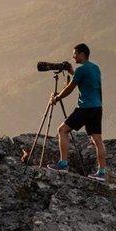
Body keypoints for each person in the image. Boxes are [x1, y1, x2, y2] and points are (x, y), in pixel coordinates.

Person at [46, 43, 108, 181]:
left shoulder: (81, 70)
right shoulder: (95, 68)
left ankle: (63, 164)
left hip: (85, 107)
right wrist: (71, 72)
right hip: (97, 107)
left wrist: (56, 98)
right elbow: (84, 81)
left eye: (74, 53)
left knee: (62, 130)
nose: (73, 56)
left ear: (81, 54)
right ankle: (102, 172)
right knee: (97, 139)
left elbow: (70, 88)